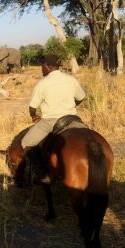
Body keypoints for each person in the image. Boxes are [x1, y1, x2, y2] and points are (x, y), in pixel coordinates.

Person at [21, 55, 86, 183]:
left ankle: (43, 174)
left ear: (48, 66)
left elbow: (32, 107)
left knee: (26, 143)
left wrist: (33, 116)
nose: (41, 69)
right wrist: (71, 106)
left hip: (51, 121)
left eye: (42, 66)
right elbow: (81, 97)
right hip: (72, 119)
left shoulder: (43, 83)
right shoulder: (71, 79)